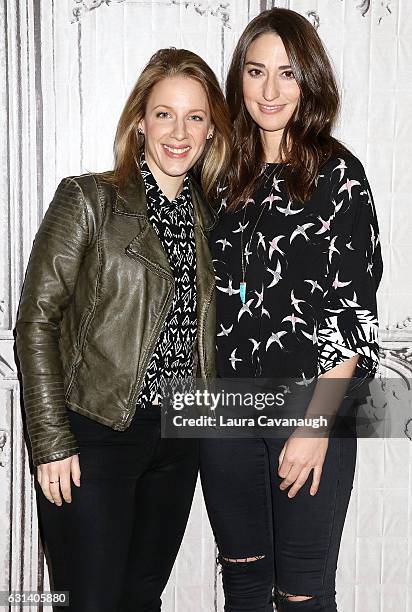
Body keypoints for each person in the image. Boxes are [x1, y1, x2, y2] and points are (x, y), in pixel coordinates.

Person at [14, 47, 231, 611]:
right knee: (91, 602)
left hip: (177, 439)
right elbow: (36, 320)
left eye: (195, 117)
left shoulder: (212, 220)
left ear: (211, 132)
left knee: (140, 601)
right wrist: (51, 439)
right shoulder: (89, 200)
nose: (178, 132)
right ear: (140, 120)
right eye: (164, 113)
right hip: (96, 435)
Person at [199, 8, 383, 612]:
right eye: (256, 72)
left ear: (311, 80)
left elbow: (353, 317)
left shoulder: (340, 176)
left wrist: (314, 425)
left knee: (302, 598)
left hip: (307, 406)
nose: (270, 90)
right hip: (226, 413)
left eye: (287, 73)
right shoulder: (221, 174)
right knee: (245, 592)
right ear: (240, 80)